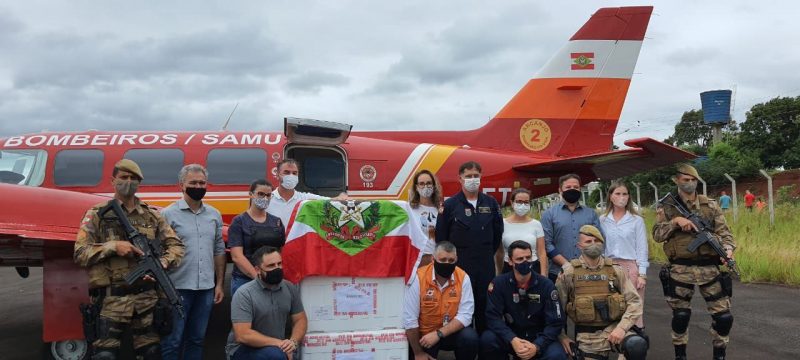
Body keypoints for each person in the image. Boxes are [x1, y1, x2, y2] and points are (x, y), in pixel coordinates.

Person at [74, 159, 185, 359]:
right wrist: (113, 247)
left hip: (147, 299)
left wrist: (164, 262)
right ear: (113, 181)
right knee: (105, 355)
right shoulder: (97, 214)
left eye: (134, 179)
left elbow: (176, 245)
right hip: (111, 300)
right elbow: (80, 253)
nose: (128, 182)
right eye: (124, 177)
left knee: (151, 352)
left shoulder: (152, 216)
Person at [653, 164, 736, 360]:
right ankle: (680, 355)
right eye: (685, 179)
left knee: (724, 317)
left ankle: (720, 355)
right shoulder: (667, 206)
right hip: (681, 269)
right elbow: (657, 235)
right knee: (681, 316)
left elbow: (726, 234)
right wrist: (675, 222)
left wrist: (728, 251)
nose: (690, 183)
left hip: (710, 268)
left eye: (693, 180)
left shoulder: (711, 205)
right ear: (677, 180)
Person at [160, 164, 226, 360]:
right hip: (177, 288)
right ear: (181, 185)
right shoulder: (168, 215)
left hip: (205, 288)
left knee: (196, 339)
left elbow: (218, 250)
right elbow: (159, 250)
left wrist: (219, 284)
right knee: (172, 341)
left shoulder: (214, 214)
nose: (198, 186)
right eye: (193, 183)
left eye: (202, 183)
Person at [556, 225, 648, 360]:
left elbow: (634, 301)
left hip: (615, 329)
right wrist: (562, 337)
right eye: (588, 241)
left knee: (637, 346)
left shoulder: (615, 270)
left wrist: (622, 328)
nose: (593, 244)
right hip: (588, 337)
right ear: (579, 246)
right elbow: (556, 310)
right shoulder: (569, 273)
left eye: (596, 241)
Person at [435, 161, 503, 332]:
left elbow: (497, 235)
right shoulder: (450, 205)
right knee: (462, 312)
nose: (473, 179)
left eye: (476, 176)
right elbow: (442, 239)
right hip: (460, 269)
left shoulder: (491, 203)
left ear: (481, 177)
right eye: (468, 176)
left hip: (485, 267)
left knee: (484, 312)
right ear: (460, 178)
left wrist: (484, 252)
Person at [481, 241, 567, 360]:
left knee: (557, 355)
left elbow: (555, 322)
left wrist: (537, 346)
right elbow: (492, 317)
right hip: (512, 336)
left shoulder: (546, 285)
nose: (525, 261)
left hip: (539, 336)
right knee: (488, 339)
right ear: (510, 261)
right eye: (520, 259)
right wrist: (512, 339)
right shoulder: (499, 284)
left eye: (528, 257)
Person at [227, 246, 307, 360]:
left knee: (287, 353)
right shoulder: (244, 294)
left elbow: (300, 319)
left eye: (279, 264)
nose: (277, 268)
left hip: (275, 346)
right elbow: (242, 335)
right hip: (243, 348)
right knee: (277, 356)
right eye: (271, 266)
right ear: (257, 270)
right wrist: (279, 343)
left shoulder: (289, 287)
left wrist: (292, 342)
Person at [403, 241, 479, 360]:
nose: (447, 264)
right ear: (433, 259)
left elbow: (466, 315)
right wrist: (418, 352)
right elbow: (410, 319)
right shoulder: (418, 277)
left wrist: (439, 334)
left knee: (470, 337)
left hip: (450, 332)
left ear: (456, 259)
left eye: (451, 260)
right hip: (425, 336)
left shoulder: (463, 277)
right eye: (443, 260)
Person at [598, 181, 648, 328]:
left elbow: (642, 248)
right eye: (618, 193)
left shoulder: (636, 220)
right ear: (610, 197)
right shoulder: (603, 220)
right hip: (609, 267)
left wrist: (642, 274)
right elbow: (601, 246)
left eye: (625, 194)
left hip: (630, 267)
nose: (622, 197)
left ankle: (633, 345)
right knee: (612, 305)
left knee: (633, 307)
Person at [541, 174, 602, 283]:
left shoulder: (591, 214)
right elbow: (547, 244)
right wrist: (566, 264)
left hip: (587, 271)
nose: (572, 190)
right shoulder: (548, 214)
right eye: (568, 187)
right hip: (558, 272)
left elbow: (598, 240)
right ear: (560, 190)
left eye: (576, 187)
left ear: (580, 189)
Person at [229, 179, 286, 295]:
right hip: (244, 281)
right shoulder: (239, 221)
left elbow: (281, 252)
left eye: (268, 195)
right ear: (251, 194)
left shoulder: (277, 222)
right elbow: (236, 256)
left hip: (273, 280)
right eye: (260, 194)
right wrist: (259, 278)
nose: (265, 198)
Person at [496, 188, 547, 276]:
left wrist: (543, 275)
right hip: (509, 268)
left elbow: (541, 252)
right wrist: (498, 274)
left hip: (532, 268)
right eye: (519, 202)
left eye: (526, 202)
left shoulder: (536, 224)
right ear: (512, 203)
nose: (522, 205)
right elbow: (499, 252)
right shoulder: (502, 223)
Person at [267, 159, 328, 230]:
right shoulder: (267, 199)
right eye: (286, 172)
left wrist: (342, 196)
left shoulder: (306, 198)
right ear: (277, 175)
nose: (291, 176)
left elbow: (332, 201)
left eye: (294, 173)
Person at [409, 169, 443, 266]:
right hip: (418, 259)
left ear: (433, 186)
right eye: (421, 183)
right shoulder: (410, 209)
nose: (425, 186)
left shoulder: (440, 210)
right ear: (416, 187)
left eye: (429, 183)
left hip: (437, 260)